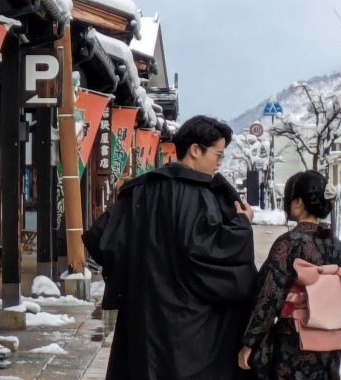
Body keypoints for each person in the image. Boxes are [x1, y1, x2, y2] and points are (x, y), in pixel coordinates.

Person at [83, 115, 258, 380]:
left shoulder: (141, 191)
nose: (219, 163)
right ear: (195, 150)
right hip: (195, 331)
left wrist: (135, 272)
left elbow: (103, 239)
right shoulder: (206, 197)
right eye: (217, 155)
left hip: (147, 319)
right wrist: (241, 225)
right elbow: (213, 254)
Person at [238, 170, 341, 379]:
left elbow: (269, 297)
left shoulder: (289, 244)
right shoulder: (338, 248)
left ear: (298, 203)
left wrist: (250, 343)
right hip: (329, 343)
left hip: (294, 341)